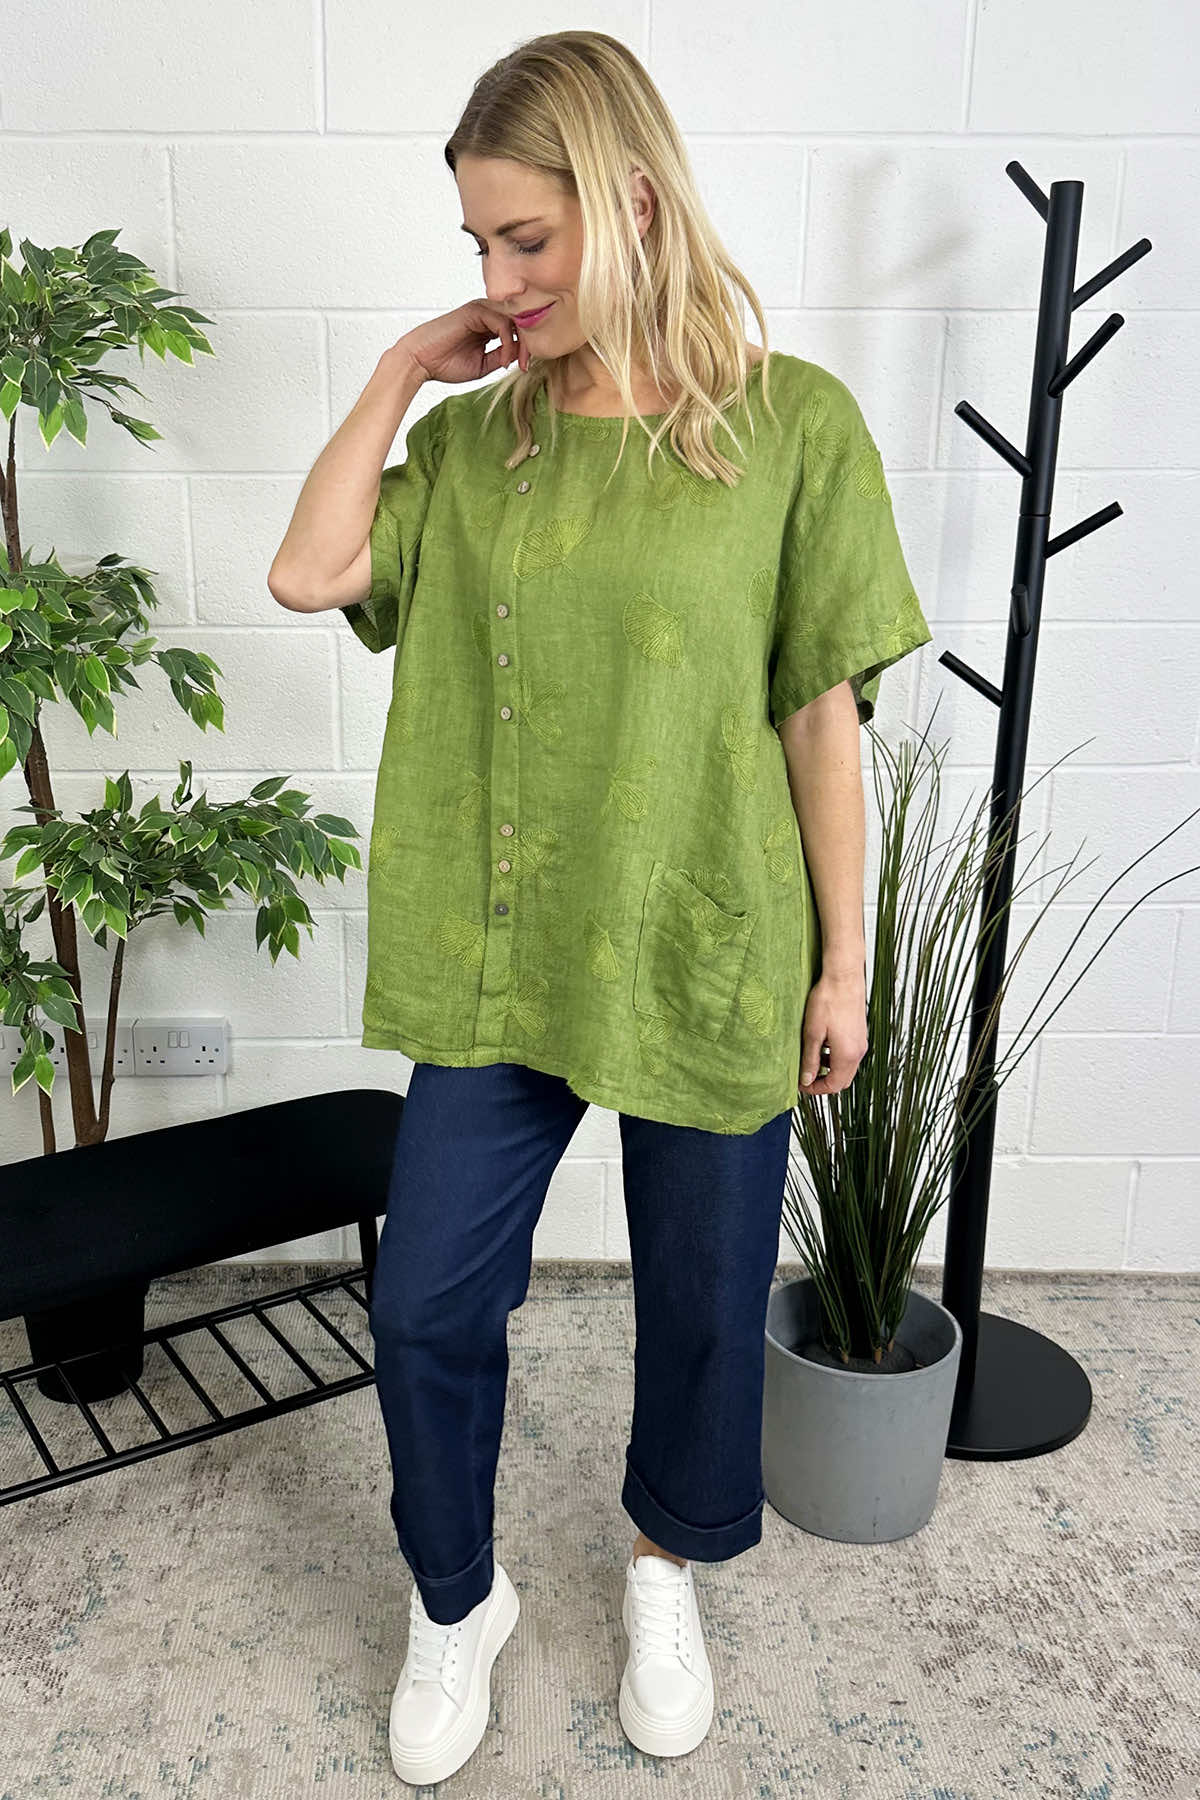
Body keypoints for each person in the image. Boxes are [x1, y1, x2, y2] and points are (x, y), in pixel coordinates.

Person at [268, 28, 932, 1787]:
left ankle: (661, 1570)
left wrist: (847, 963)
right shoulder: (478, 443)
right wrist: (403, 371)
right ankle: (456, 1598)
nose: (499, 280)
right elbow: (310, 570)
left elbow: (821, 719)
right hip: (505, 949)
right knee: (427, 1306)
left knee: (702, 1305)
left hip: (707, 937)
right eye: (479, 246)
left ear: (633, 202)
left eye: (528, 240)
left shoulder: (793, 427)